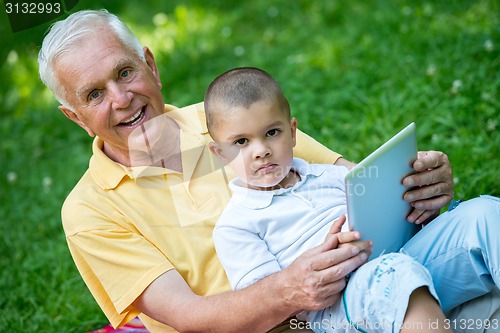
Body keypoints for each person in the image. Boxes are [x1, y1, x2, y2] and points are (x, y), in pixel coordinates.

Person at [37, 9, 499, 333]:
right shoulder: (89, 211)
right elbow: (187, 317)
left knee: (486, 226)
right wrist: (291, 291)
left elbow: (357, 180)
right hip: (296, 322)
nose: (120, 99)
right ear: (74, 116)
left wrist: (415, 185)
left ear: (151, 66)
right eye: (94, 95)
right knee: (424, 294)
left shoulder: (234, 118)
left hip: (369, 274)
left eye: (124, 72)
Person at [206, 67, 453, 332]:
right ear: (220, 154)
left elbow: (383, 211)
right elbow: (271, 305)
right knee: (397, 274)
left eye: (272, 133)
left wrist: (412, 201)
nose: (261, 151)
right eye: (241, 141)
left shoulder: (332, 175)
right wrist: (325, 262)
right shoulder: (235, 226)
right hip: (335, 307)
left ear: (292, 132)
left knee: (482, 214)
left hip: (393, 252)